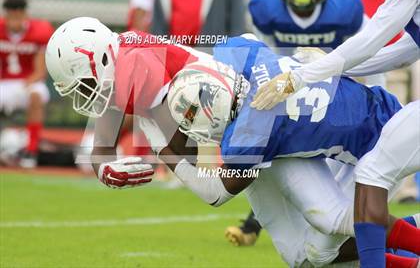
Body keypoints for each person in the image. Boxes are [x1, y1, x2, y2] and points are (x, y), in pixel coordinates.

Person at [46, 22, 419, 265]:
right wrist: (101, 159)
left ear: (107, 60)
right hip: (256, 122)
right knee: (305, 257)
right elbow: (115, 105)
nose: (89, 97)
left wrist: (162, 151)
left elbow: (214, 190)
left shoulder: (145, 70)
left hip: (262, 136)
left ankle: (413, 243)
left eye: (87, 84)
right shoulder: (131, 55)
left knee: (327, 231)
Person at [250, 0, 420, 266]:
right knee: (371, 174)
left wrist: (305, 75)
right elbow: (405, 49)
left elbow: (375, 36)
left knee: (371, 174)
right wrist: (323, 69)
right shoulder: (266, 6)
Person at [228, 0, 366, 246]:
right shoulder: (267, 7)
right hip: (289, 86)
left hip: (341, 87)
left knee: (337, 167)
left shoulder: (346, 7)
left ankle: (357, 231)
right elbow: (266, 53)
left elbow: (367, 50)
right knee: (278, 153)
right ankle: (256, 223)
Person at [0, 0, 54, 168]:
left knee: (36, 96)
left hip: (29, 82)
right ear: (6, 14)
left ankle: (31, 151)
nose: (15, 18)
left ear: (25, 14)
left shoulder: (39, 30)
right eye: (11, 13)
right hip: (5, 83)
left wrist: (23, 86)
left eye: (18, 13)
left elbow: (40, 71)